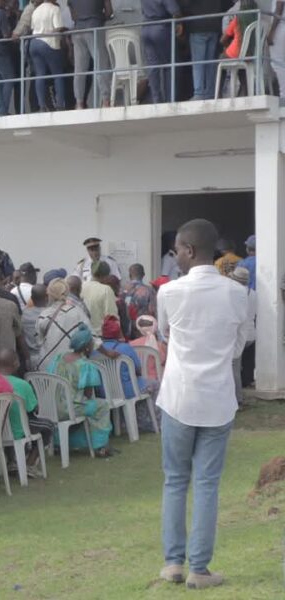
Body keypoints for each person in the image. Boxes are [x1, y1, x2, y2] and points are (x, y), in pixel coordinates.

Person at [156, 219, 247, 589]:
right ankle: (199, 569)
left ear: (190, 250)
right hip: (217, 399)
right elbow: (240, 345)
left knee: (175, 481)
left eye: (177, 249)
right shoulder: (238, 293)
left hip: (178, 396)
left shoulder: (169, 292)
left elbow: (165, 334)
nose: (175, 255)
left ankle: (173, 563)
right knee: (207, 483)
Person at [46, 324, 114, 457]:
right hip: (71, 409)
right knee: (102, 406)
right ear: (87, 347)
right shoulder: (85, 365)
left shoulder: (58, 358)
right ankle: (100, 446)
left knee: (88, 407)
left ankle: (60, 443)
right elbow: (88, 395)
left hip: (53, 407)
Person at [0, 349, 54, 478]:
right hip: (20, 428)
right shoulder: (22, 384)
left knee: (11, 425)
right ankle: (30, 463)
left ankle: (12, 461)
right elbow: (32, 409)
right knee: (48, 426)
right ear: (16, 364)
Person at [100, 315, 160, 432]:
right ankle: (156, 423)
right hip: (127, 390)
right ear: (118, 332)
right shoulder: (125, 348)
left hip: (104, 392)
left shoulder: (95, 351)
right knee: (155, 384)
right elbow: (138, 370)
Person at [36, 278, 91, 370]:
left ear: (49, 294)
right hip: (70, 366)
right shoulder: (77, 312)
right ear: (67, 292)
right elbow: (90, 336)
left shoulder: (43, 315)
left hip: (46, 367)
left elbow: (39, 341)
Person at [70, 0, 112, 108]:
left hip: (77, 30)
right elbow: (109, 12)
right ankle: (106, 101)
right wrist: (99, 16)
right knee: (101, 64)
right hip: (94, 27)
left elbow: (73, 17)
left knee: (79, 69)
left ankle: (79, 103)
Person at [141, 0, 182, 103]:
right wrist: (179, 23)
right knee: (169, 65)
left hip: (146, 28)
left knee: (153, 66)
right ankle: (170, 99)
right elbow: (175, 11)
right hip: (160, 28)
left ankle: (156, 99)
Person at [29, 0, 67, 111]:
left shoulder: (36, 10)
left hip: (34, 42)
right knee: (57, 74)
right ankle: (60, 105)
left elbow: (32, 28)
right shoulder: (54, 9)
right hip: (49, 43)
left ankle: (42, 106)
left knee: (40, 75)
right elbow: (58, 28)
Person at [183, 0, 223, 100]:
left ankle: (199, 93)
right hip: (214, 26)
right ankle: (210, 92)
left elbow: (185, 4)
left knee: (198, 63)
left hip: (198, 27)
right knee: (210, 63)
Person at [229, 266, 256, 402]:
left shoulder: (233, 294)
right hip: (251, 334)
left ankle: (237, 398)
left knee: (234, 369)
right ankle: (247, 383)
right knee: (247, 363)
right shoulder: (253, 293)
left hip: (238, 335)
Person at [81, 261, 119, 333]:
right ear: (106, 276)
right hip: (99, 335)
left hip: (83, 335)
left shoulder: (81, 286)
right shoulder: (106, 290)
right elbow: (111, 316)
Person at [121, 264, 157, 339]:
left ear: (129, 275)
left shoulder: (122, 290)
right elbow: (152, 311)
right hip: (143, 331)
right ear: (143, 275)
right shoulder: (149, 291)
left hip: (125, 331)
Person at [130, 315, 168, 380]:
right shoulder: (160, 345)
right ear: (155, 327)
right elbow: (163, 362)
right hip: (157, 380)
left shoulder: (131, 344)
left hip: (137, 381)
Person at [22, 284, 48, 371]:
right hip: (47, 356)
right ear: (46, 298)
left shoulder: (24, 314)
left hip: (30, 356)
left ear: (32, 298)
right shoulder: (50, 314)